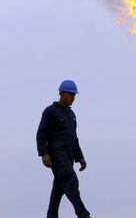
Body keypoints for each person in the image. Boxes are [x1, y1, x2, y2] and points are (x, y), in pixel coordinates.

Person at [36, 80, 91, 218]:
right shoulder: (50, 111)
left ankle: (51, 216)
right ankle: (83, 215)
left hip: (69, 156)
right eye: (70, 94)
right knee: (71, 180)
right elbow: (41, 133)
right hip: (56, 155)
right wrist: (44, 154)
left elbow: (74, 138)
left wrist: (80, 157)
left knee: (59, 188)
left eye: (74, 95)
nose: (73, 97)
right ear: (61, 93)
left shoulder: (71, 115)